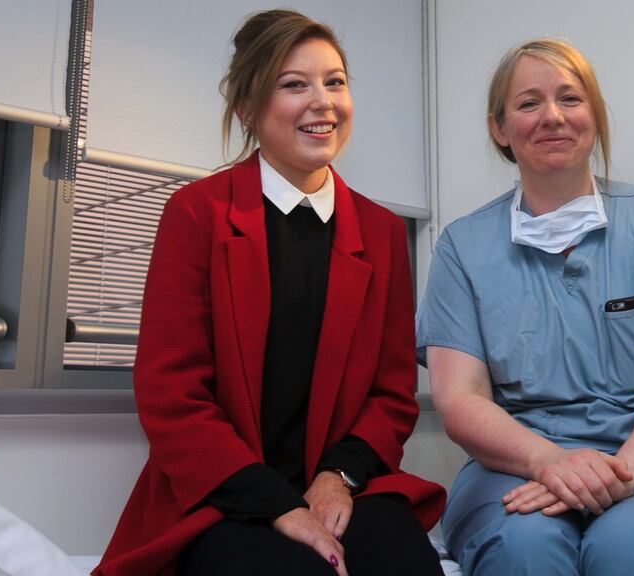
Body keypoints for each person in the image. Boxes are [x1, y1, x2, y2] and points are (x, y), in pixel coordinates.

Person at [94, 10, 445, 576]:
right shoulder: (197, 214)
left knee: (406, 564)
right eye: (294, 85)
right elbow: (170, 393)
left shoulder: (379, 231)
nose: (323, 102)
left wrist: (337, 478)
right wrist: (276, 503)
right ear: (248, 108)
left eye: (335, 82)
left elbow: (393, 391)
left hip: (341, 488)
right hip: (223, 495)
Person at [416, 38, 634, 576]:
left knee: (632, 549)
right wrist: (548, 461)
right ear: (499, 128)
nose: (552, 116)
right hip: (514, 465)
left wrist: (625, 472)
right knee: (524, 548)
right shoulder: (463, 246)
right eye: (528, 103)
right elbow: (459, 398)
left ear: (593, 115)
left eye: (570, 99)